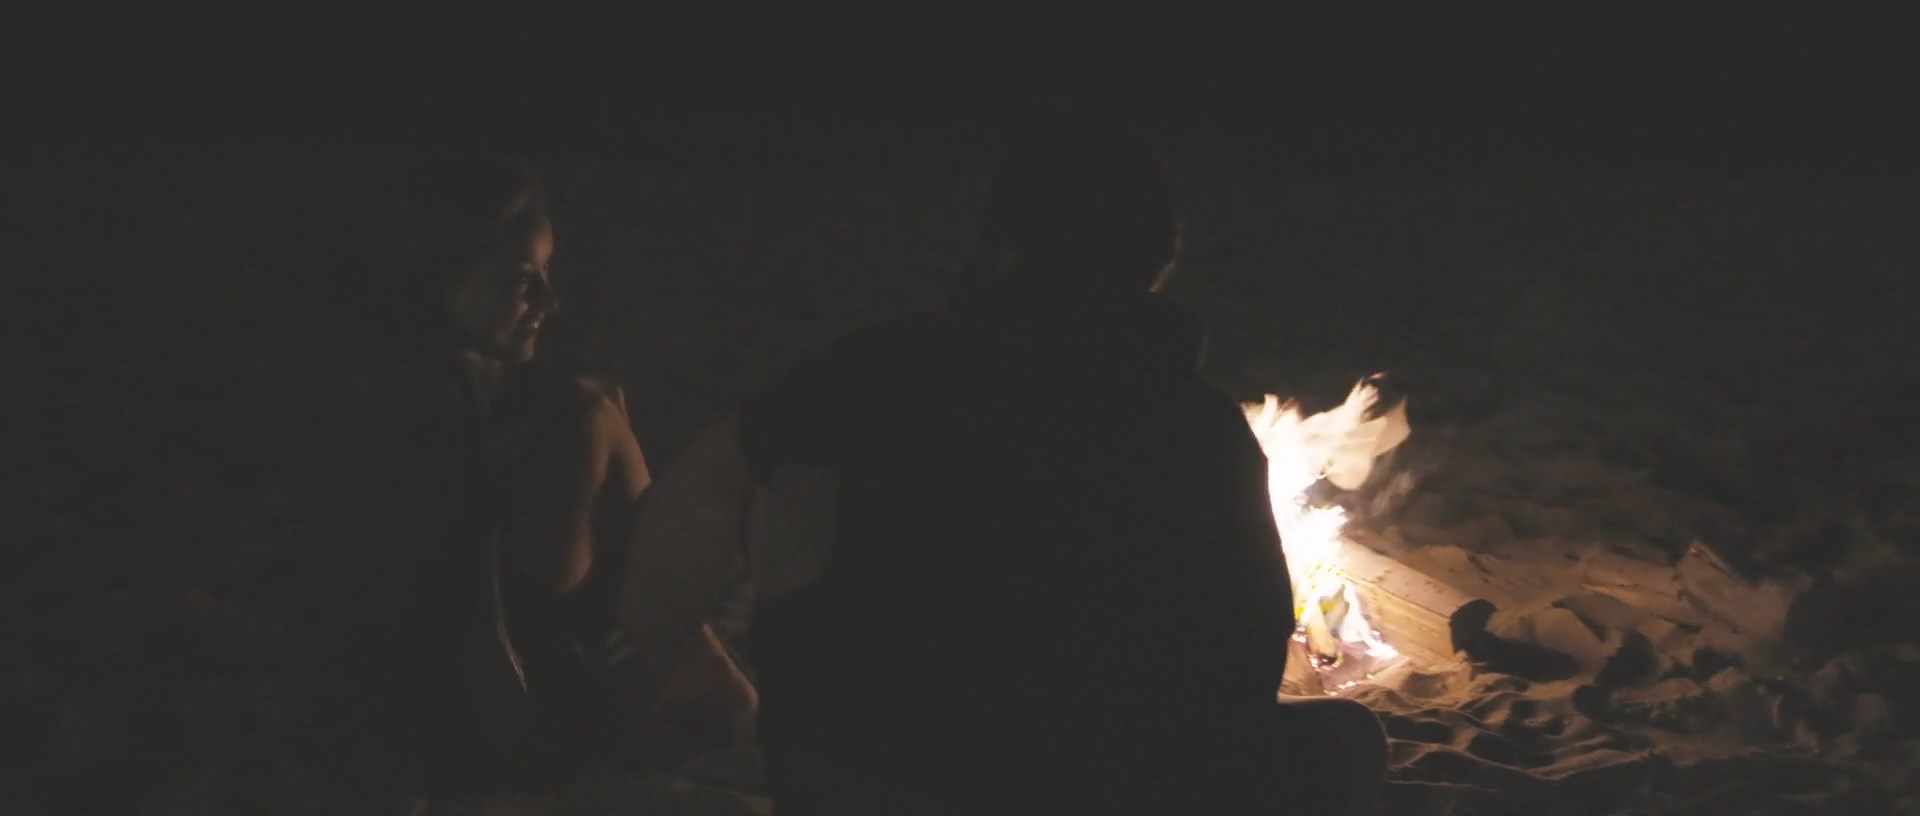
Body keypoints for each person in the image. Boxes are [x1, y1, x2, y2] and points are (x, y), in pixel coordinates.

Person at [617, 116, 1388, 814]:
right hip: (1103, 787)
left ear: (997, 242)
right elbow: (1247, 656)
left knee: (798, 483)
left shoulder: (878, 369)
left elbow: (698, 494)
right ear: (1161, 259)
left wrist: (685, 657)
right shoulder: (1201, 427)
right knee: (1352, 739)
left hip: (857, 773)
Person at [283, 155, 754, 812]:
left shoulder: (409, 372)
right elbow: (465, 610)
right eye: (519, 281)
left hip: (409, 705)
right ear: (437, 279)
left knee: (594, 411)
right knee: (594, 421)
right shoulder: (423, 411)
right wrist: (525, 751)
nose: (547, 304)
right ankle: (728, 701)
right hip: (456, 723)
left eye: (547, 275)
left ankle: (722, 695)